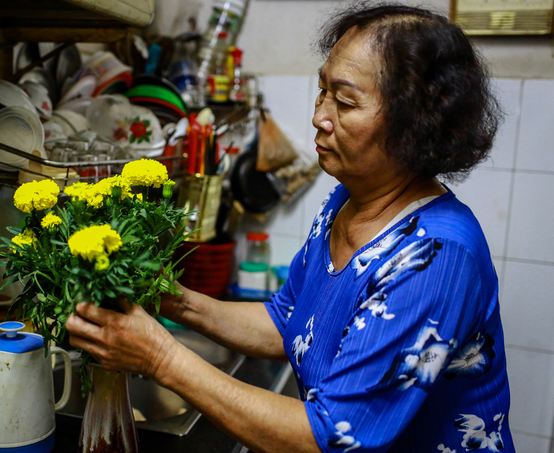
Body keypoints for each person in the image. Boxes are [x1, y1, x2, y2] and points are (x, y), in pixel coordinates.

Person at [66, 3, 515, 452]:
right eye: (322, 91)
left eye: (344, 101)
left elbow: (329, 438)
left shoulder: (434, 255)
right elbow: (287, 321)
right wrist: (170, 298)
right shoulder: (349, 199)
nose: (320, 115)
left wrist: (160, 356)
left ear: (417, 123)